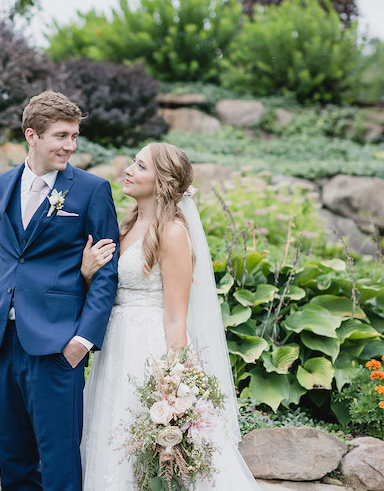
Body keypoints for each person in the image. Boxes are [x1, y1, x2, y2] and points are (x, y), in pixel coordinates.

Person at [79, 142, 260, 490]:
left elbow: (177, 317)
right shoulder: (125, 225)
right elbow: (109, 292)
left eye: (141, 166)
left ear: (162, 181)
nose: (129, 169)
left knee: (151, 442)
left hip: (149, 351)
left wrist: (174, 387)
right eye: (133, 162)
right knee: (113, 435)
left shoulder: (173, 232)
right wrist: (88, 273)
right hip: (115, 346)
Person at [0, 90, 120, 491]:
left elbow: (107, 273)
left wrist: (82, 341)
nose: (69, 146)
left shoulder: (92, 190)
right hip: (0, 345)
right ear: (31, 136)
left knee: (59, 463)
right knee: (14, 460)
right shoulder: (0, 186)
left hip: (58, 348)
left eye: (74, 136)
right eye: (60, 136)